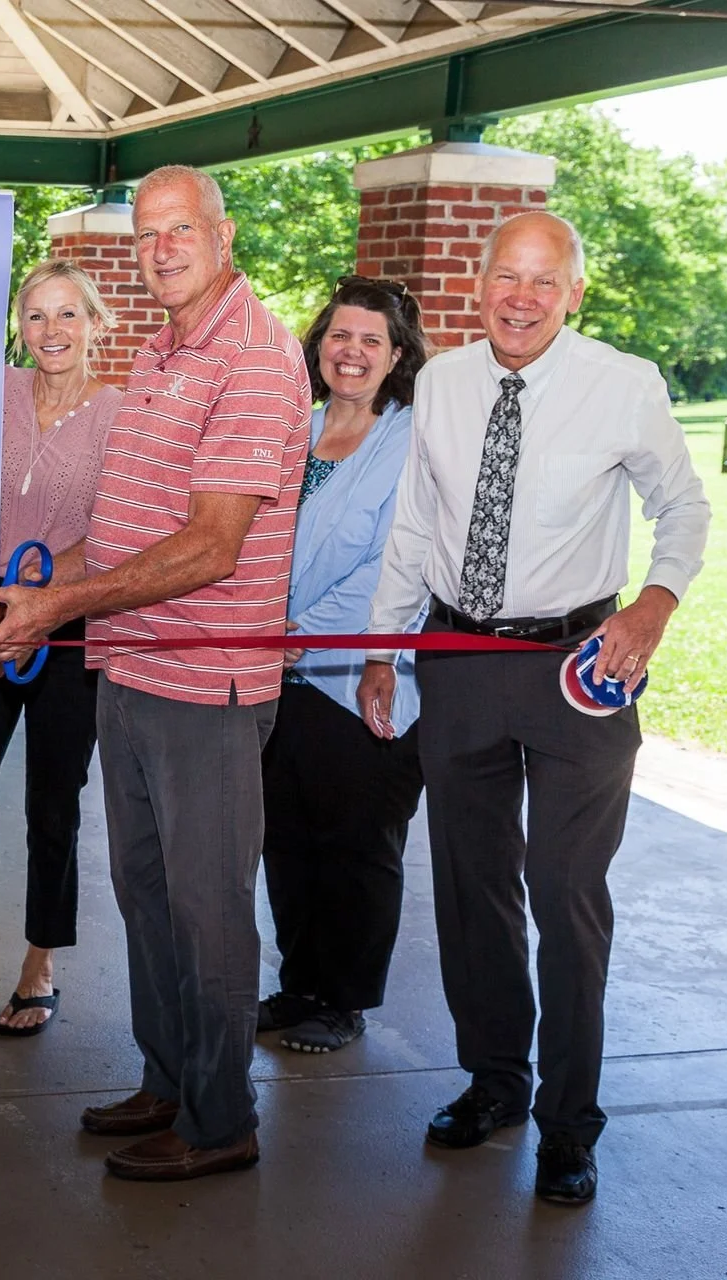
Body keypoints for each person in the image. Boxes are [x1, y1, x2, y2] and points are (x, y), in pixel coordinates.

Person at [360, 211, 710, 1205]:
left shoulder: (623, 383)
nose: (520, 297)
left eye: (542, 280)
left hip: (579, 665)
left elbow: (683, 504)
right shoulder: (442, 381)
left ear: (573, 293)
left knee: (564, 891)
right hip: (460, 654)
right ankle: (497, 1080)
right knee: (473, 885)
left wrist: (654, 600)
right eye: (505, 276)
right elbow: (417, 518)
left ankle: (569, 1121)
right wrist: (389, 644)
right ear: (480, 283)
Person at [0, 165, 310, 1182]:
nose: (162, 247)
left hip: (206, 681)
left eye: (181, 229)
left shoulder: (254, 357)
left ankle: (220, 1120)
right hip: (129, 667)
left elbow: (211, 546)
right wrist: (34, 594)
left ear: (222, 233)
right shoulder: (164, 348)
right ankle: (168, 1081)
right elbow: (126, 528)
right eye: (147, 234)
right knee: (148, 897)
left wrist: (60, 604)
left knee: (209, 912)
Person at [0, 259, 121, 1039]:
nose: (52, 332)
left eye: (68, 315)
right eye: (36, 316)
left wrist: (39, 605)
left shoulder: (121, 413)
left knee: (53, 809)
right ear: (17, 325)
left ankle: (40, 964)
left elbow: (114, 535)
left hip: (69, 633)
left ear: (96, 324)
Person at [256, 277, 429, 1055]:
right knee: (286, 839)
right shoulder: (298, 425)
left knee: (356, 845)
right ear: (318, 344)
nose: (351, 352)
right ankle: (299, 985)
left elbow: (398, 558)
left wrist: (305, 628)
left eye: (370, 341)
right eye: (339, 336)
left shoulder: (413, 439)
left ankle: (345, 998)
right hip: (273, 670)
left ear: (396, 357)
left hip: (360, 670)